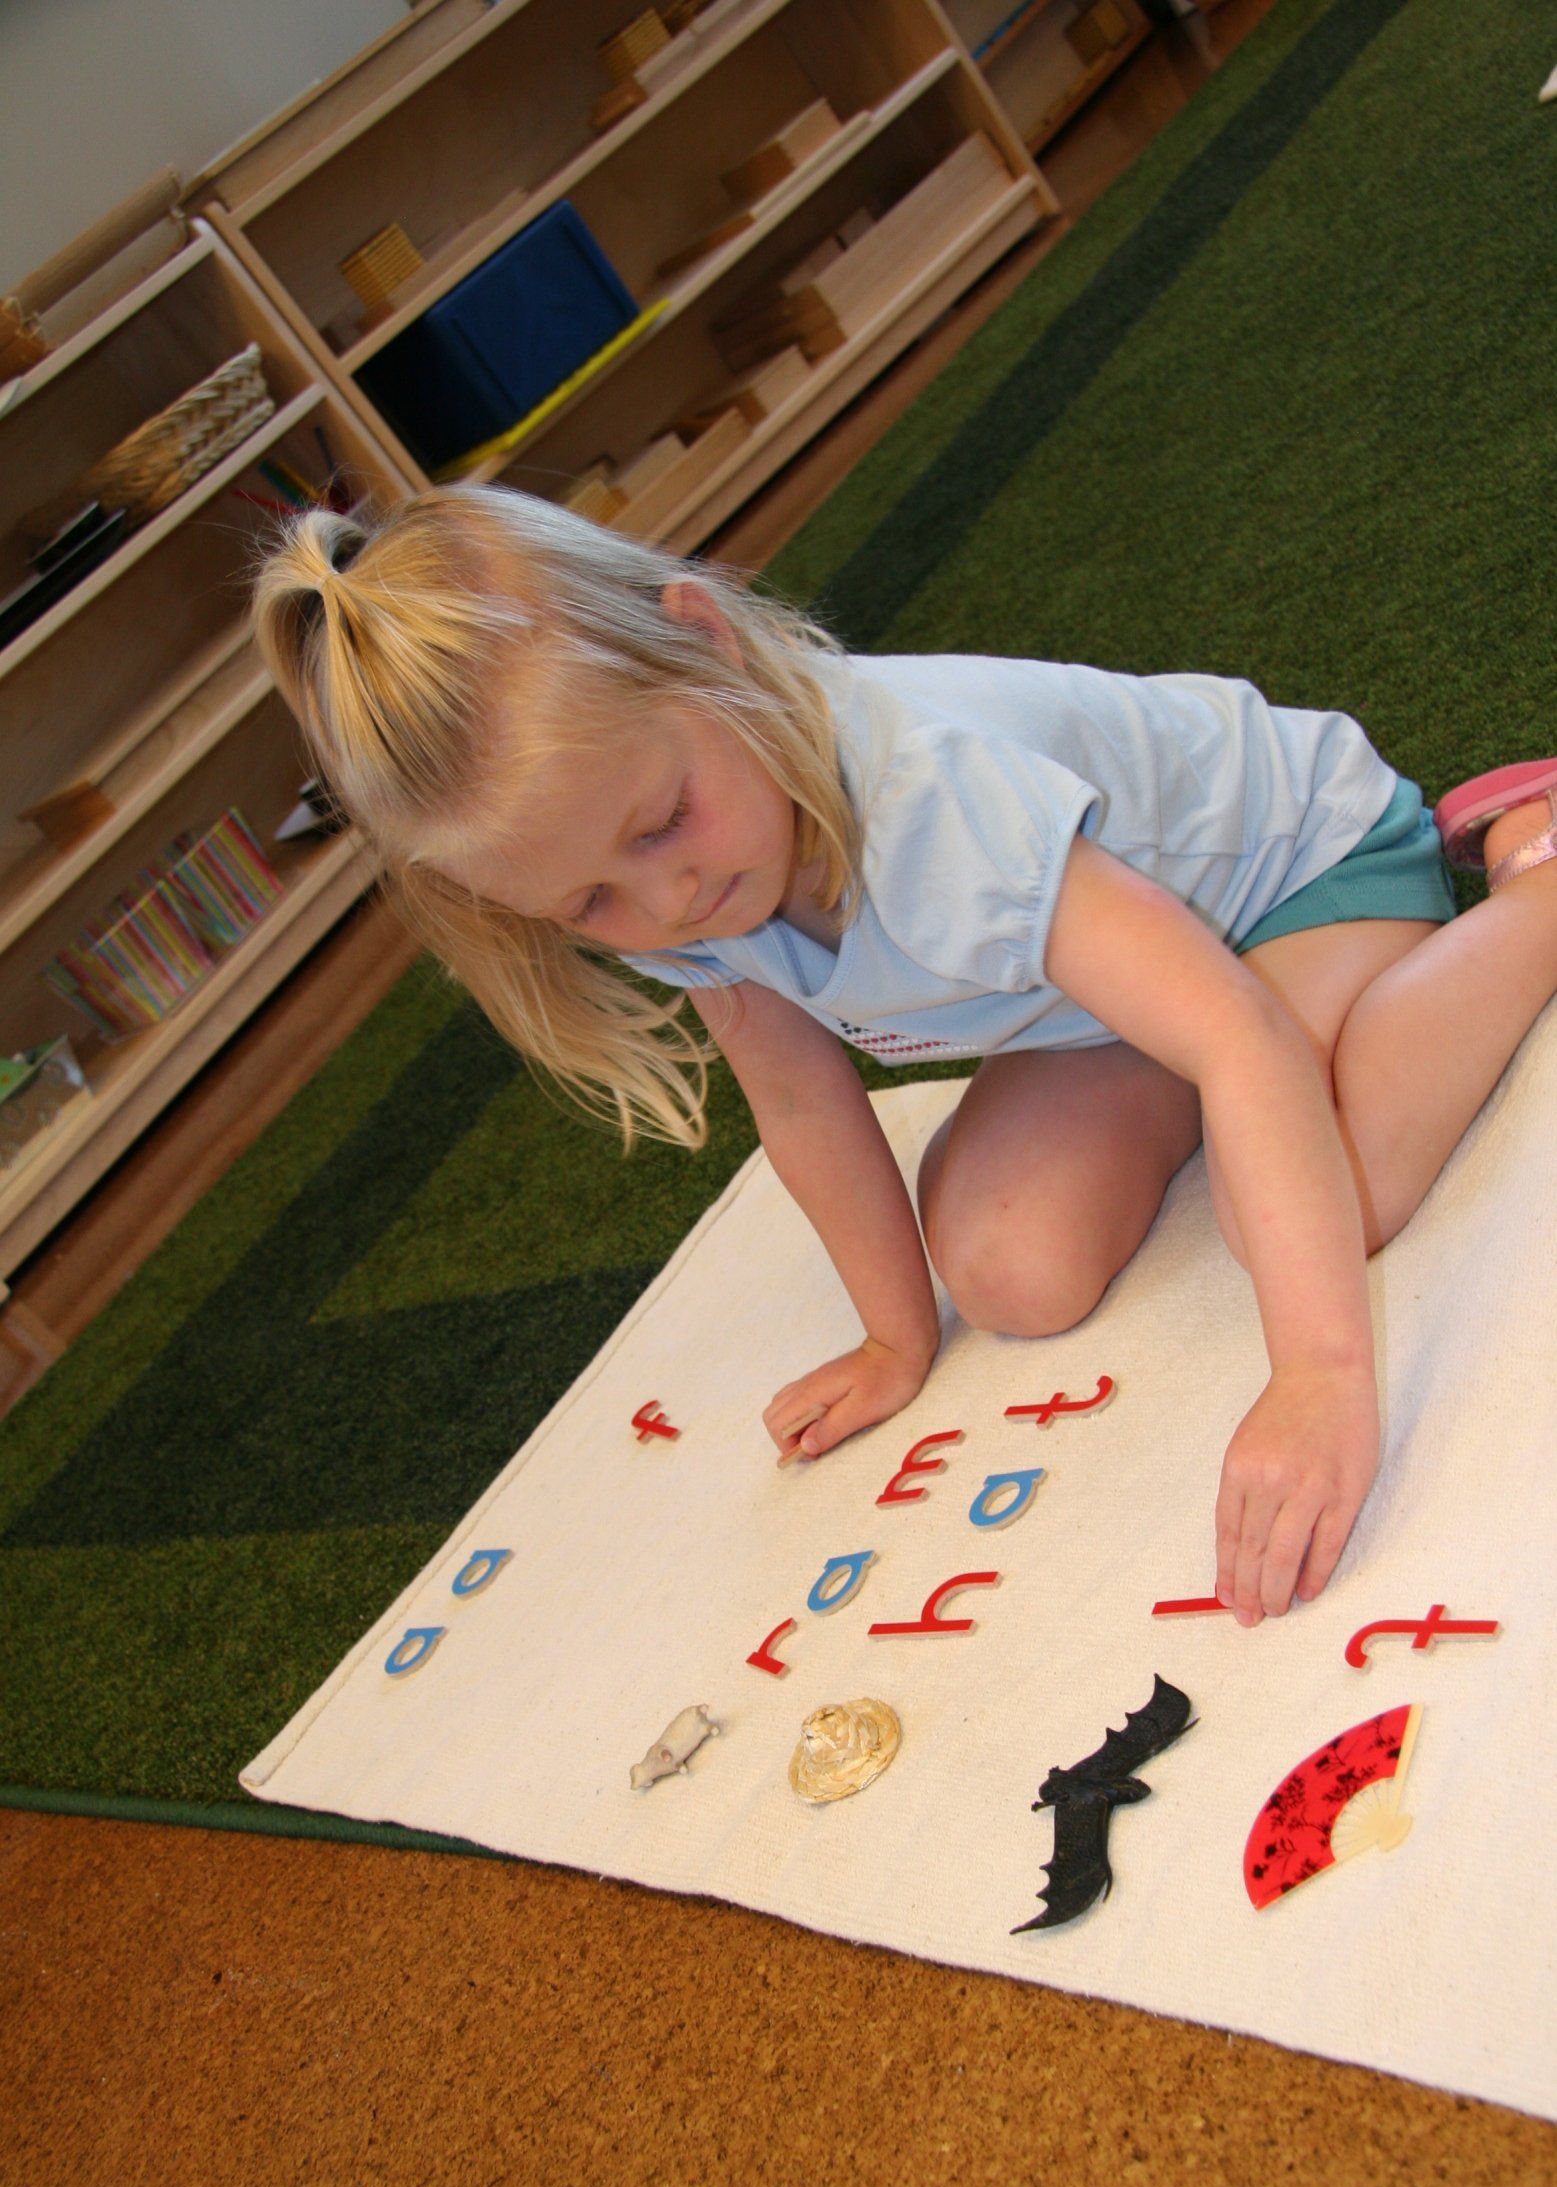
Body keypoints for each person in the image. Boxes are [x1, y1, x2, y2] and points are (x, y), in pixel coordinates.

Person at [252, 484, 1557, 1629]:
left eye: (662, 823)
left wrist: (1316, 1375)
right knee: (1008, 1271)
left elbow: (1235, 1028)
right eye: (589, 905)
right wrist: (890, 1340)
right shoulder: (663, 880)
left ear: (708, 642)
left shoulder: (935, 801)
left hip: (1298, 874)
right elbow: (797, 1094)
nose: (668, 906)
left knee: (1339, 1183)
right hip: (1093, 990)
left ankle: (1527, 883)